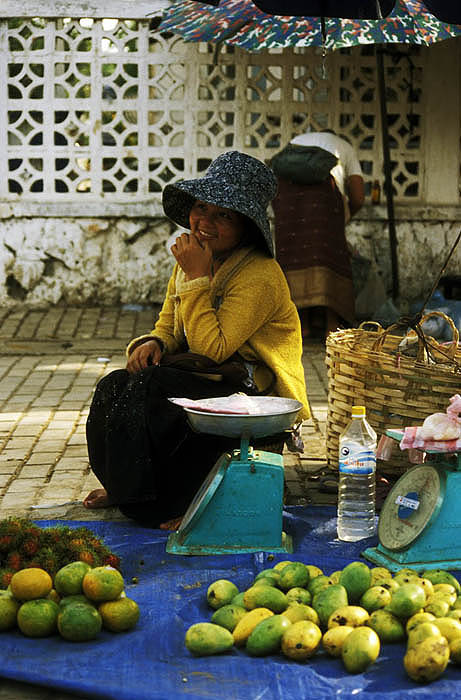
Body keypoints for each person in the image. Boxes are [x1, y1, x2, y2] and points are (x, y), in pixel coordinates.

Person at [83, 150, 310, 528]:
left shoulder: (260, 275)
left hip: (255, 393)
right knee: (116, 386)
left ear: (247, 226)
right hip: (206, 376)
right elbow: (170, 325)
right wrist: (153, 343)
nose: (205, 222)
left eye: (224, 215)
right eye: (202, 208)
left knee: (156, 390)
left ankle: (185, 501)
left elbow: (212, 348)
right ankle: (127, 489)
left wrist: (197, 278)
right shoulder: (193, 259)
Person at [272, 128, 365, 340]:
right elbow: (359, 197)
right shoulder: (345, 147)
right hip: (324, 200)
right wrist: (345, 216)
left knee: (294, 255)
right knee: (328, 258)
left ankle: (301, 326)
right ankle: (331, 327)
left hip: (286, 199)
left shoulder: (294, 142)